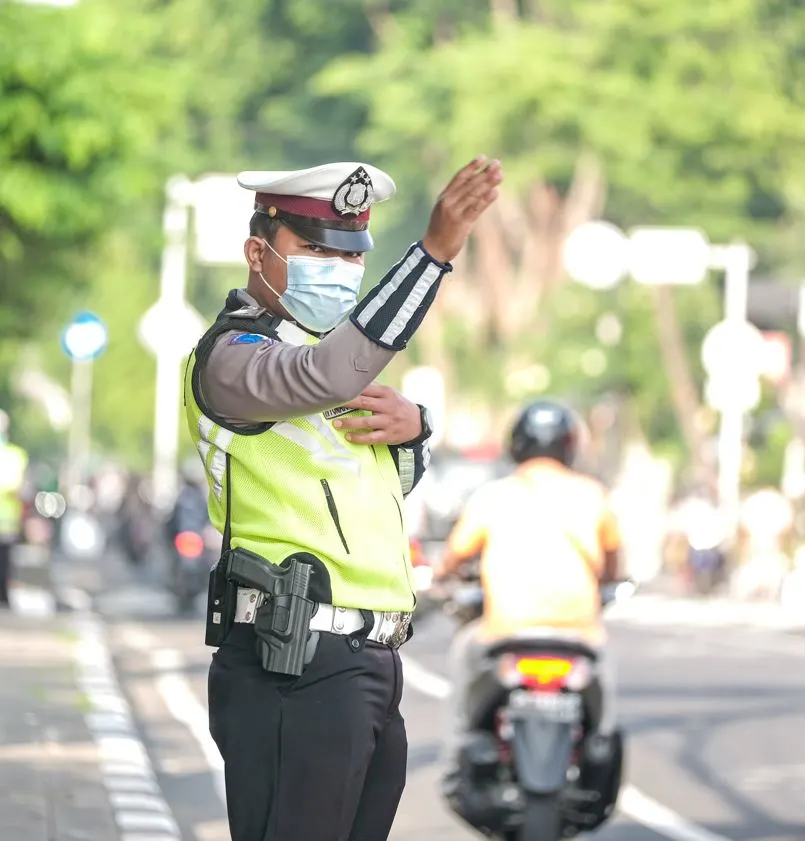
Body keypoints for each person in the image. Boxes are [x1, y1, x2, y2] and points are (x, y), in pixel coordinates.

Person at [183, 157, 503, 841]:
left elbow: (379, 492)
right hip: (291, 661)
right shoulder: (234, 356)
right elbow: (326, 374)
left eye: (350, 253)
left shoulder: (326, 356)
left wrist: (416, 429)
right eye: (315, 249)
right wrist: (433, 255)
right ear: (257, 251)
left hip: (369, 663)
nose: (338, 267)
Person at [433, 398, 622, 787]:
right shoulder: (593, 495)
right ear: (570, 446)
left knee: (463, 660)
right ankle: (598, 751)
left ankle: (454, 761)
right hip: (579, 635)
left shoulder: (493, 495)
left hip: (506, 630)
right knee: (605, 679)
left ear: (517, 444)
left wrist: (440, 577)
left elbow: (453, 557)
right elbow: (612, 563)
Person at [0, 410, 29, 608]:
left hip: (7, 521)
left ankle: (3, 595)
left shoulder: (15, 455)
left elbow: (17, 488)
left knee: (5, 562)